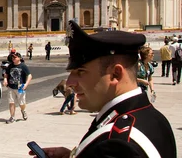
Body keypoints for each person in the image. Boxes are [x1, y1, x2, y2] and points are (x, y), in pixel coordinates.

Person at [35, 20, 176, 158]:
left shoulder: (117, 147)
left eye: (81, 72)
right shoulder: (152, 117)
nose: (70, 82)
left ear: (115, 74)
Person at [3, 52, 32, 123]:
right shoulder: (10, 66)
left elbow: (29, 75)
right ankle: (12, 117)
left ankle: (23, 110)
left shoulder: (23, 66)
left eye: (15, 57)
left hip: (20, 87)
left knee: (21, 103)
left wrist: (26, 84)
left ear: (19, 58)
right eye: (13, 57)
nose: (13, 59)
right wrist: (5, 80)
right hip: (11, 87)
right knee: (11, 102)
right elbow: (6, 74)